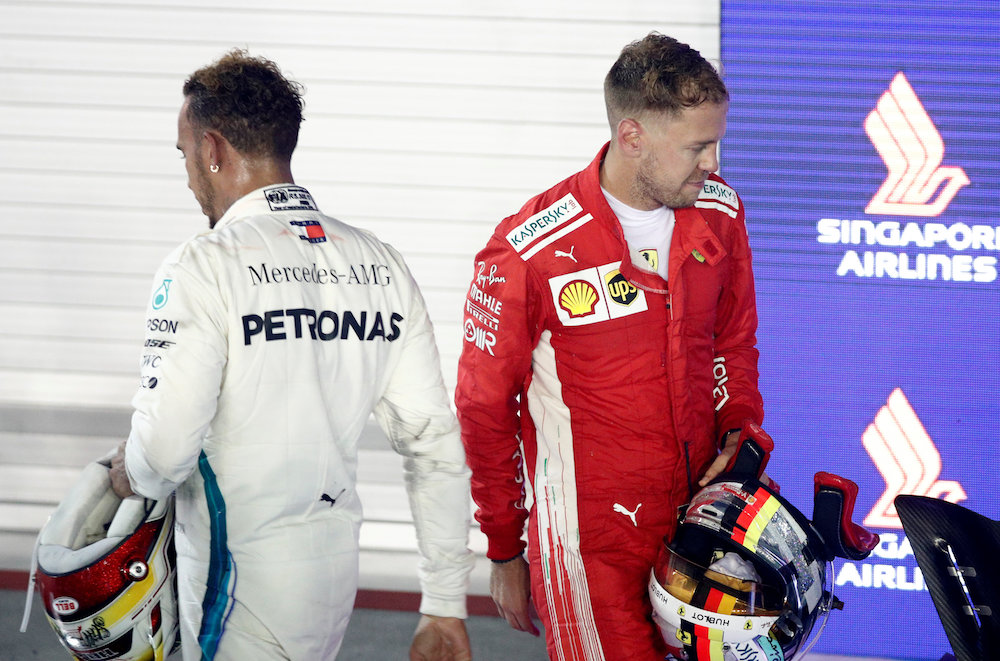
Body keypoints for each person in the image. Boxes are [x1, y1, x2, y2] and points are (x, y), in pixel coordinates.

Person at [108, 49, 474, 661]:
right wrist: (444, 602)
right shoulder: (379, 262)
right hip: (332, 579)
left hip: (240, 580)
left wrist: (131, 471)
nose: (189, 176)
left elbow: (165, 452)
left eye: (185, 155)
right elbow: (433, 443)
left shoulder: (202, 265)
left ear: (214, 150)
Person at [454, 32, 765, 660]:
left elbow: (733, 342)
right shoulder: (526, 252)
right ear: (632, 137)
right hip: (591, 549)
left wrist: (739, 435)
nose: (712, 163)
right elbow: (485, 409)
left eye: (716, 143)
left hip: (699, 531)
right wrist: (505, 547)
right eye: (697, 147)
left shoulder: (721, 213)